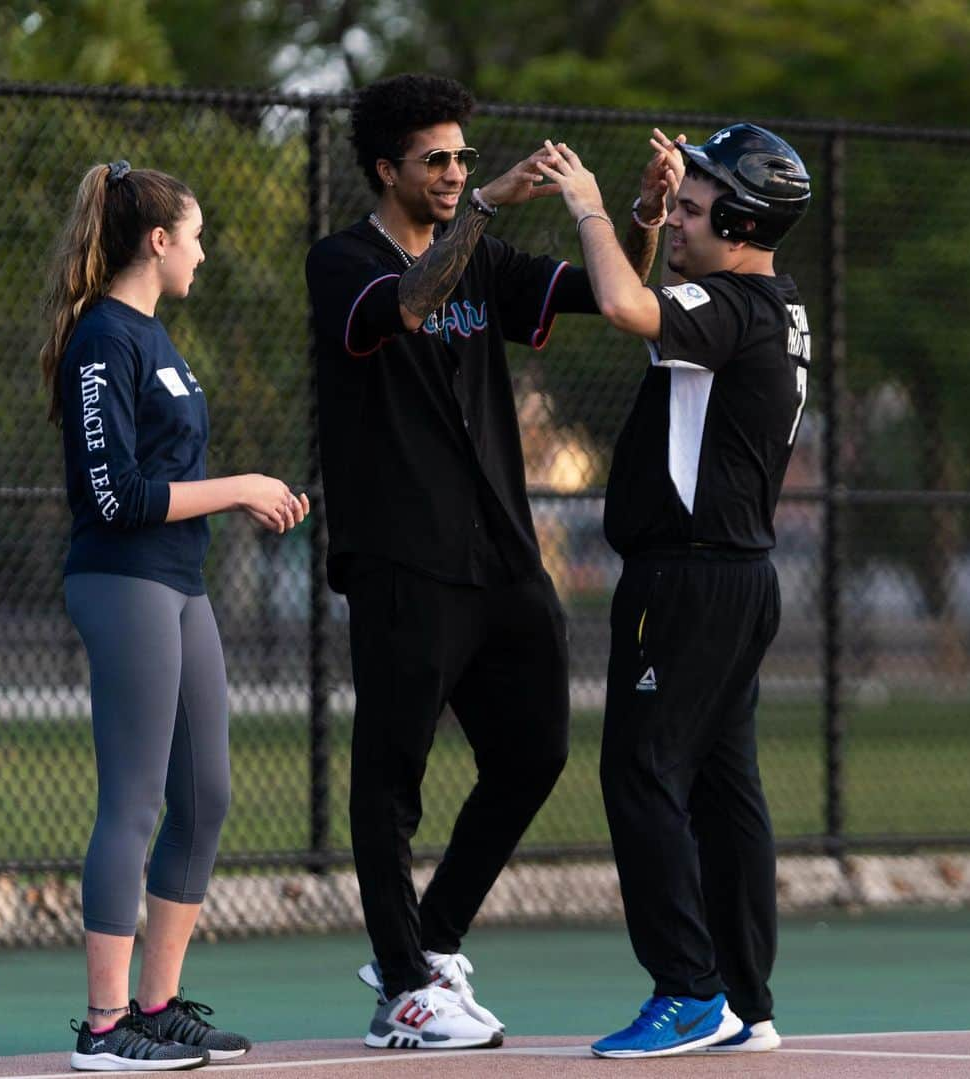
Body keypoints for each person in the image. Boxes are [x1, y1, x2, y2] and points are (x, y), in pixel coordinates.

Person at [304, 73, 653, 1051]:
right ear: (387, 170)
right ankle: (404, 989)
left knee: (535, 748)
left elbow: (610, 294)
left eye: (464, 157)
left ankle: (434, 937)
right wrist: (493, 201)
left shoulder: (487, 260)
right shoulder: (342, 263)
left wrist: (644, 218)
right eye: (438, 161)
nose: (457, 172)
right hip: (402, 558)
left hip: (502, 551)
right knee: (392, 774)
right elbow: (411, 304)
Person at [537, 123, 812, 1058]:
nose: (684, 222)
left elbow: (623, 303)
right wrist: (655, 209)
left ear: (740, 221)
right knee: (725, 786)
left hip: (688, 583)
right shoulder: (763, 304)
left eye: (699, 210)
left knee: (640, 771)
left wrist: (589, 208)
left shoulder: (732, 306)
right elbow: (658, 296)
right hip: (737, 579)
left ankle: (691, 992)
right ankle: (744, 996)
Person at [40, 160, 309, 1070]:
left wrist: (236, 495)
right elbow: (113, 494)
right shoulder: (101, 339)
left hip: (179, 582)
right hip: (124, 580)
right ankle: (106, 1026)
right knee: (136, 798)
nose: (205, 251)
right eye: (196, 235)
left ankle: (155, 1008)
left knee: (207, 794)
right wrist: (239, 489)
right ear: (157, 242)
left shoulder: (159, 339)